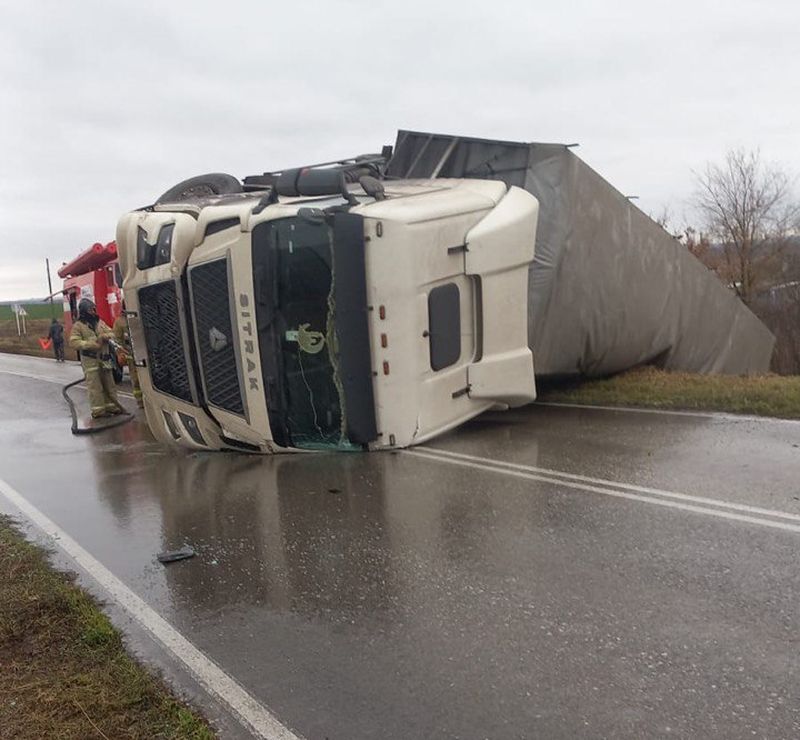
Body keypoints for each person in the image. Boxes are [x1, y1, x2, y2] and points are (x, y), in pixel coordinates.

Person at [68, 298, 125, 419]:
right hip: (91, 362)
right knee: (95, 387)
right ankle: (98, 411)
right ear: (84, 311)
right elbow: (74, 342)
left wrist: (105, 336)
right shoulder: (78, 326)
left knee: (109, 384)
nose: (93, 312)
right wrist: (92, 344)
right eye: (91, 310)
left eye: (94, 309)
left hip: (104, 360)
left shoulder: (100, 323)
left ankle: (112, 407)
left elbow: (112, 333)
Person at [112, 305, 144, 408]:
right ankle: (140, 401)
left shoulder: (139, 315)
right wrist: (120, 354)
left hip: (142, 352)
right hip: (130, 355)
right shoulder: (120, 322)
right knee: (135, 379)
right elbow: (117, 340)